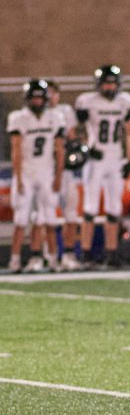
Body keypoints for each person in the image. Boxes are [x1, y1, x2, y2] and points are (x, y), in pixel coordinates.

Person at [75, 64, 130, 268]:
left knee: (114, 208)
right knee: (90, 207)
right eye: (106, 84)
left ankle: (112, 252)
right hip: (95, 158)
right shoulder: (87, 101)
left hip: (115, 158)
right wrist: (86, 148)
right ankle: (86, 254)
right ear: (99, 85)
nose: (110, 87)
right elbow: (76, 130)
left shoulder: (124, 101)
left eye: (112, 84)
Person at [6, 79, 66, 273]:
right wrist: (18, 178)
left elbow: (60, 150)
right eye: (34, 98)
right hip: (26, 172)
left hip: (47, 172)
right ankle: (15, 260)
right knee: (21, 220)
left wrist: (58, 176)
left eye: (40, 97)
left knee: (50, 219)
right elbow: (16, 150)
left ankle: (54, 259)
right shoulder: (19, 118)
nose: (38, 101)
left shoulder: (55, 117)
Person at [48, 82, 82, 272]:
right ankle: (49, 255)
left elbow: (72, 137)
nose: (50, 97)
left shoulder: (65, 112)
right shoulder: (35, 116)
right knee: (45, 217)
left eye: (53, 93)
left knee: (71, 214)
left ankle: (69, 254)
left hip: (66, 170)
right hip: (45, 171)